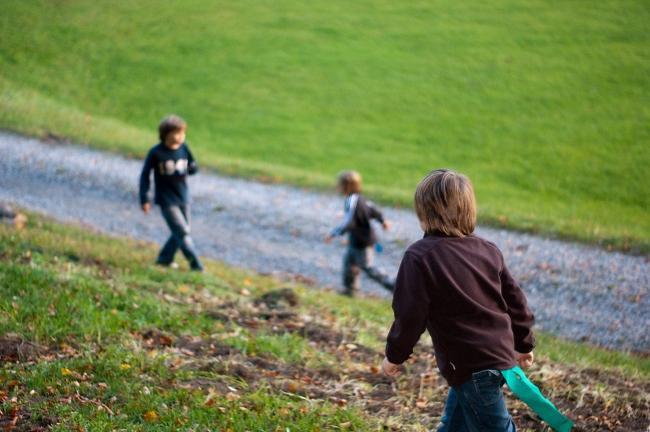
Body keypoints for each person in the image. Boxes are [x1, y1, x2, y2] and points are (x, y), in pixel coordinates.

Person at [381, 169, 535, 431]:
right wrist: (524, 343)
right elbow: (516, 302)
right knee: (455, 425)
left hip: (471, 365)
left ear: (424, 213)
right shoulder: (488, 250)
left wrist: (394, 356)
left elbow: (409, 316)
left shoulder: (420, 257)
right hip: (497, 357)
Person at [139, 115, 203, 272]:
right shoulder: (156, 153)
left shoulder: (184, 148)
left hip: (183, 196)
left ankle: (164, 259)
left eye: (183, 133)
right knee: (182, 231)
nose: (181, 137)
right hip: (166, 199)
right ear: (166, 134)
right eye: (177, 133)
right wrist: (145, 198)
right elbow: (145, 176)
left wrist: (192, 168)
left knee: (180, 231)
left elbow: (192, 166)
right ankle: (196, 265)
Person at [325, 170, 394, 296]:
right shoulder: (360, 198)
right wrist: (383, 220)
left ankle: (393, 285)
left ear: (347, 186)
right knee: (349, 263)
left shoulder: (351, 201)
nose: (337, 187)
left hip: (362, 241)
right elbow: (372, 210)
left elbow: (349, 221)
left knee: (368, 267)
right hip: (358, 239)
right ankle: (350, 290)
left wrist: (334, 233)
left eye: (339, 185)